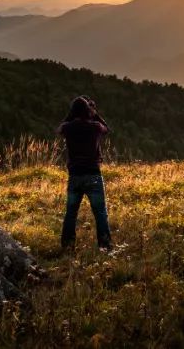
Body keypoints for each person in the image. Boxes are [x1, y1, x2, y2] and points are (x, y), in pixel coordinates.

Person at [57, 95, 112, 251]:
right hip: (93, 174)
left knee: (71, 213)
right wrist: (94, 113)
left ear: (73, 112)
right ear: (87, 111)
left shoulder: (68, 127)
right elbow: (106, 128)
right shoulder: (95, 127)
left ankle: (68, 246)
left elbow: (60, 128)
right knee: (100, 213)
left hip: (75, 176)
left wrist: (71, 115)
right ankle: (105, 246)